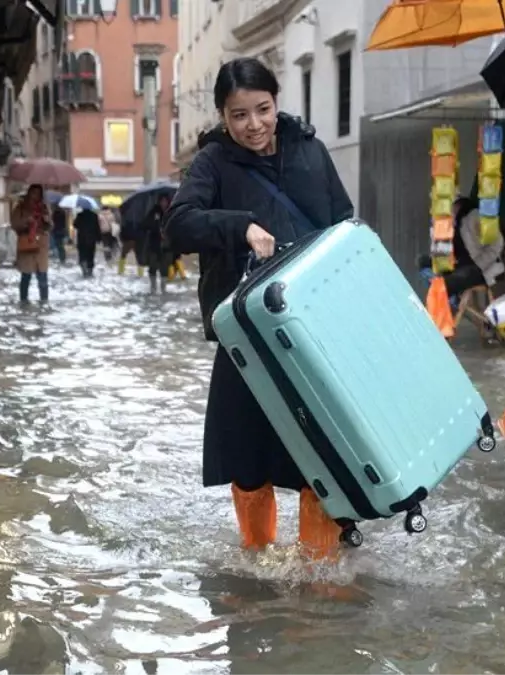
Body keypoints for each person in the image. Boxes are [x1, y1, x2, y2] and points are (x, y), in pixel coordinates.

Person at [164, 57, 354, 558]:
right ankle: (256, 561)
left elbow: (344, 224)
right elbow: (178, 226)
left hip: (313, 331)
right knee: (247, 455)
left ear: (277, 100)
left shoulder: (311, 151)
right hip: (245, 334)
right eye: (239, 115)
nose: (253, 125)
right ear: (223, 117)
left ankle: (321, 568)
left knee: (324, 451)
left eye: (263, 109)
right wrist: (239, 225)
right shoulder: (211, 163)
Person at [418, 194, 505, 301]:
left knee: (451, 281)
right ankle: (448, 294)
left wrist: (478, 265)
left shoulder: (475, 217)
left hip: (481, 267)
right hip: (459, 265)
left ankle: (450, 299)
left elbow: (497, 242)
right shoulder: (449, 224)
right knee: (423, 261)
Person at [11, 185, 52, 304]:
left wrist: (47, 220)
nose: (36, 196)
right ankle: (23, 301)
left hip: (41, 245)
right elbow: (14, 224)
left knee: (43, 276)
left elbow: (50, 226)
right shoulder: (21, 207)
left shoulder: (44, 207)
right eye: (34, 193)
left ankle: (44, 301)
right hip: (27, 242)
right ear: (29, 193)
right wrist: (26, 222)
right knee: (26, 275)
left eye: (38, 193)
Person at [139, 194, 172, 293]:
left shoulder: (171, 212)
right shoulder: (154, 212)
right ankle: (153, 287)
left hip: (167, 246)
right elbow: (144, 225)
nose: (163, 203)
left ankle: (163, 288)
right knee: (152, 266)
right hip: (154, 245)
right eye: (162, 201)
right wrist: (155, 225)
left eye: (165, 201)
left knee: (165, 267)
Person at [73, 206, 102, 278]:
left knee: (82, 254)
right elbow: (97, 227)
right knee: (90, 254)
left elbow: (75, 225)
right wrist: (99, 238)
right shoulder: (94, 215)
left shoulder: (80, 215)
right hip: (91, 239)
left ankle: (84, 268)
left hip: (82, 238)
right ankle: (90, 270)